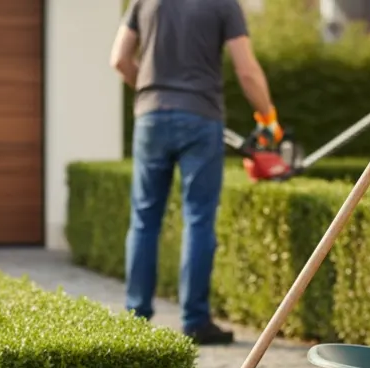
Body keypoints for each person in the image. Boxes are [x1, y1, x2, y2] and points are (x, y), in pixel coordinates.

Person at [111, 0, 281, 345]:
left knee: (144, 218)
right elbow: (246, 70)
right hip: (200, 118)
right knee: (198, 219)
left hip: (151, 117)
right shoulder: (223, 4)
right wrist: (268, 117)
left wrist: (148, 92)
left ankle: (135, 316)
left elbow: (119, 60)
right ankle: (195, 321)